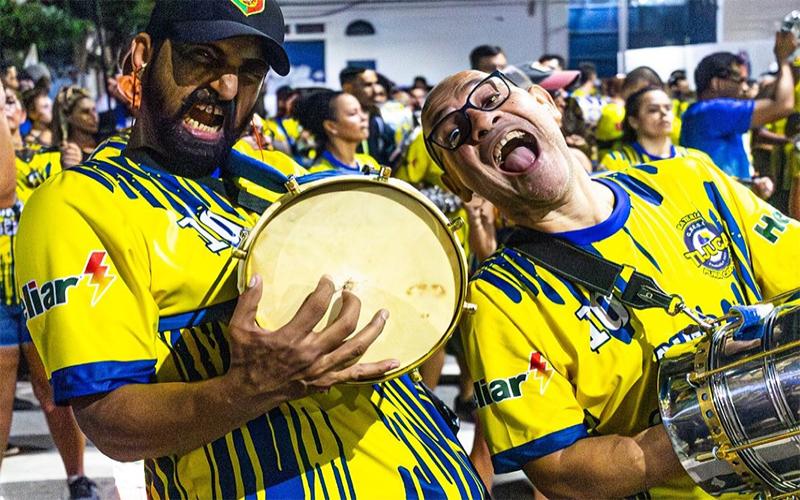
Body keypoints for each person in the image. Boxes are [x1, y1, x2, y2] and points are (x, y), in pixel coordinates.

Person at [16, 2, 485, 498]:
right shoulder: (80, 204)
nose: (226, 87)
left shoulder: (280, 175)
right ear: (142, 56)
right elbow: (111, 423)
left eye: (250, 71)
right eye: (203, 57)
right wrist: (248, 388)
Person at [421, 68, 800, 498]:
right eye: (454, 133)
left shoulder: (692, 179)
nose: (482, 122)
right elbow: (558, 470)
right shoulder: (498, 300)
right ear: (460, 184)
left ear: (545, 105)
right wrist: (731, 414)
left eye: (490, 99)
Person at [0, 83, 98, 500]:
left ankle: (78, 478)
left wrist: (77, 166)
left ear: (21, 113)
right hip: (1, 288)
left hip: (41, 284)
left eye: (8, 102)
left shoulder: (51, 155)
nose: (5, 108)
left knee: (53, 391)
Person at [681, 32, 797, 195]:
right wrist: (783, 59)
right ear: (716, 83)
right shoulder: (713, 111)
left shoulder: (699, 114)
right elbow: (783, 105)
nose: (744, 88)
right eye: (740, 80)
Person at [601, 86, 711, 171]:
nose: (663, 113)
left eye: (668, 108)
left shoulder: (698, 159)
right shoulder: (616, 162)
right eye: (653, 110)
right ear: (633, 121)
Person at [294, 89, 380, 173]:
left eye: (362, 110)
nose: (364, 117)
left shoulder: (369, 162)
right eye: (353, 113)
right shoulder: (319, 175)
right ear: (331, 126)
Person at [340, 67, 397, 166]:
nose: (376, 90)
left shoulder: (378, 119)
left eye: (376, 83)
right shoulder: (335, 119)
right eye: (368, 85)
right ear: (348, 88)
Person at [52, 85, 99, 164]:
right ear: (69, 117)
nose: (94, 116)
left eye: (94, 110)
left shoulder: (106, 142)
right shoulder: (66, 154)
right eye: (85, 112)